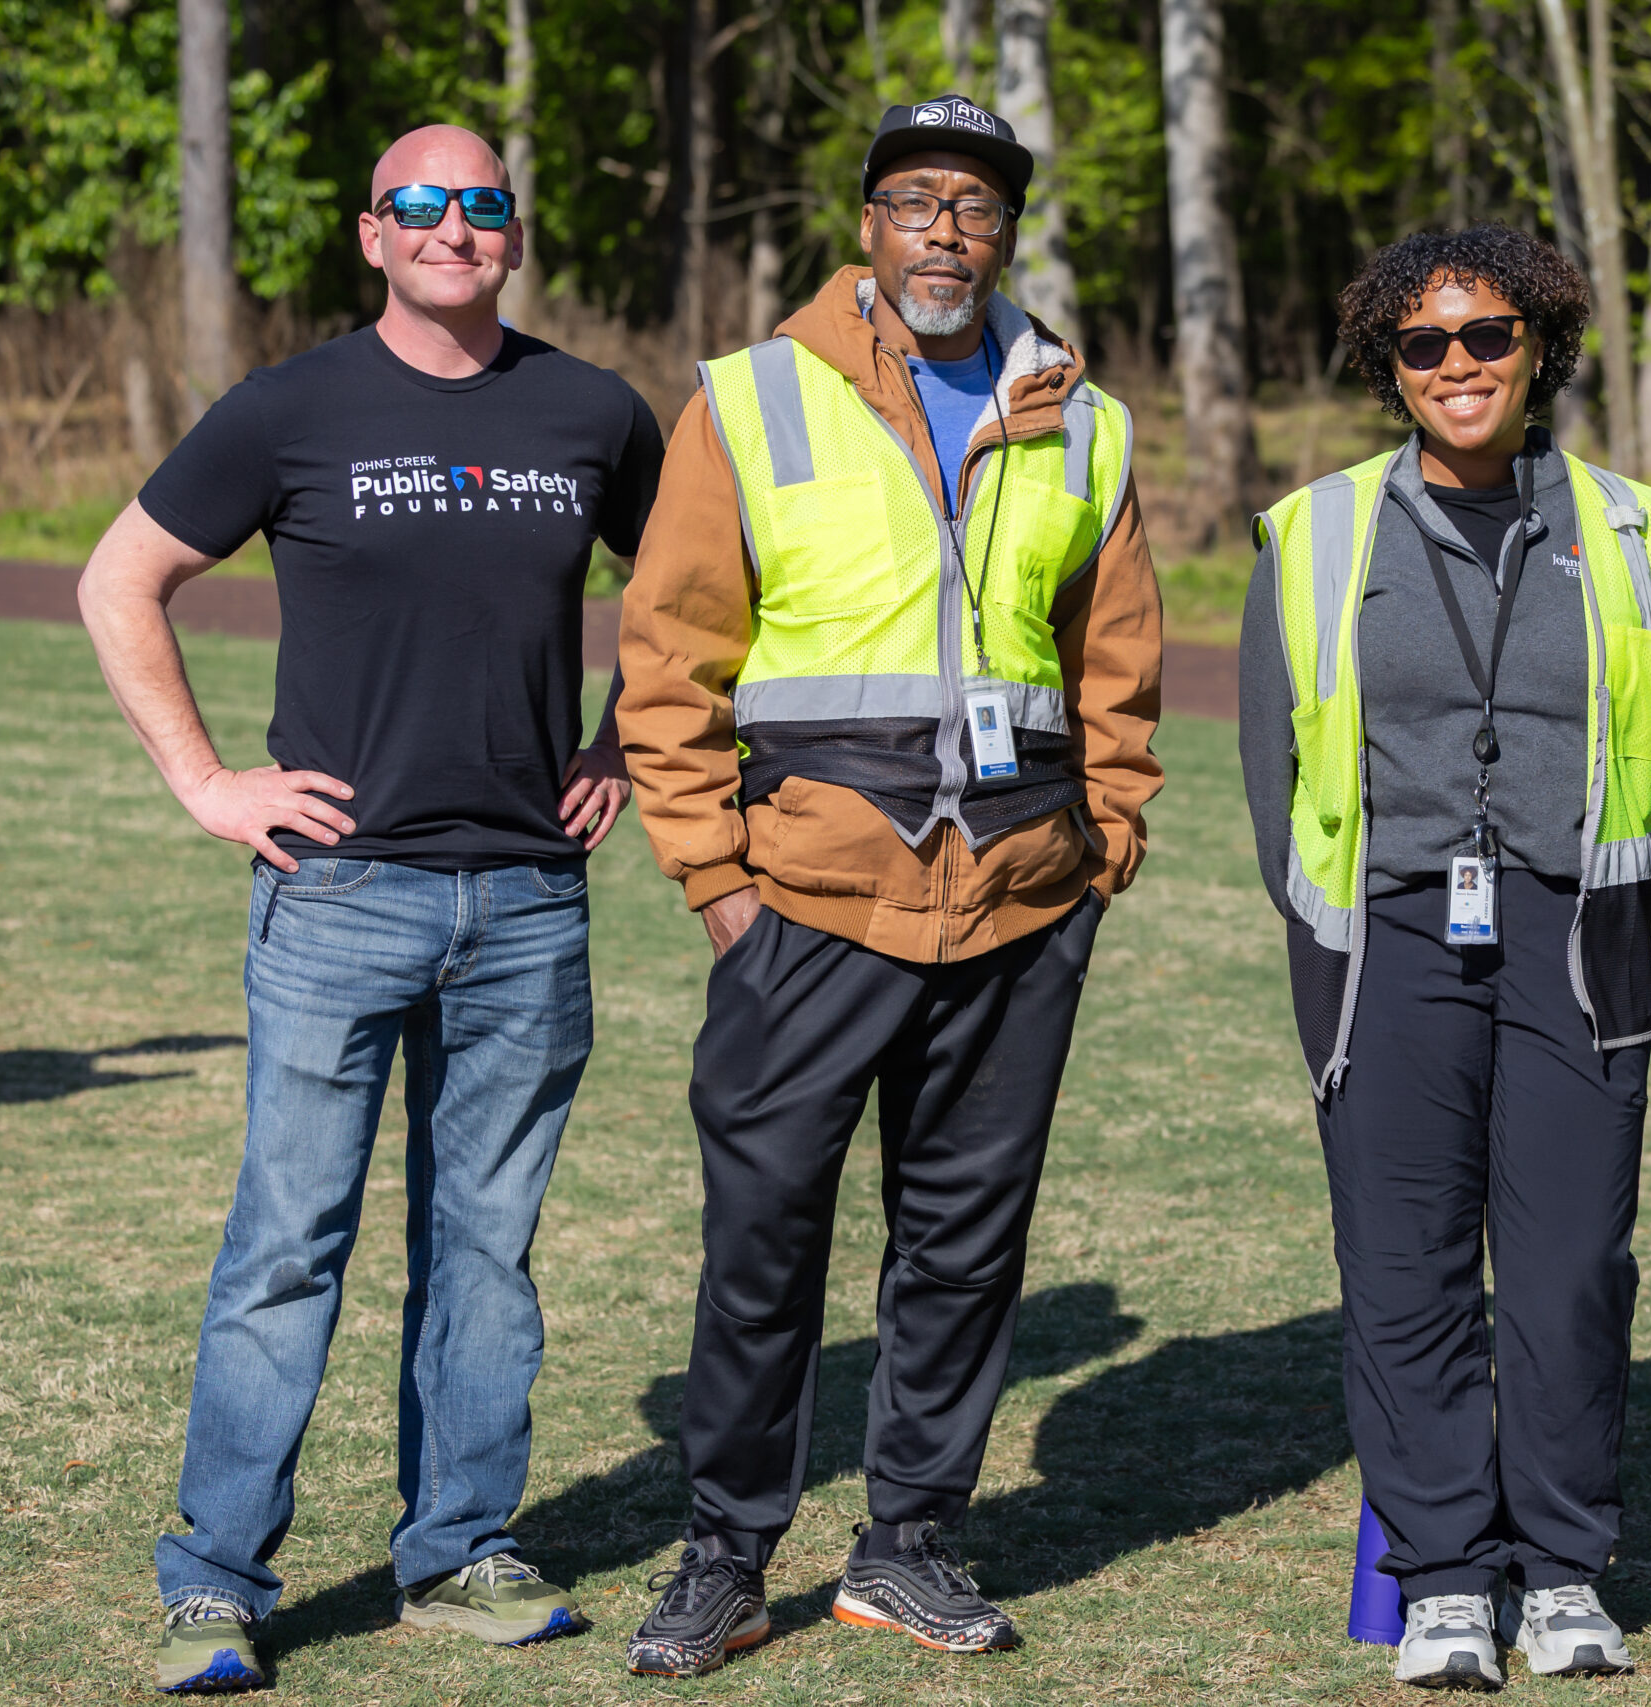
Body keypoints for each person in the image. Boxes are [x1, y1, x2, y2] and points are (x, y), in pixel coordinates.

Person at [76, 123, 665, 1694]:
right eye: (422, 204)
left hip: (529, 902)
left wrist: (625, 740)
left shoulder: (594, 411)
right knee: (287, 1245)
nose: (452, 227)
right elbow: (117, 579)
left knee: (487, 1253)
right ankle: (215, 1585)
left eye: (481, 204)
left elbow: (695, 596)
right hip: (337, 893)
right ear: (373, 233)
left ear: (513, 233)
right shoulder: (292, 408)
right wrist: (211, 783)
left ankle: (459, 1553)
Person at [611, 93, 1160, 1677]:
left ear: (1005, 236)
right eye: (917, 200)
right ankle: (726, 1558)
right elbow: (671, 655)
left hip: (1019, 903)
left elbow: (1117, 661)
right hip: (804, 903)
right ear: (867, 223)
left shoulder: (1086, 421)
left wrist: (1105, 845)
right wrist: (718, 882)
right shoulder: (752, 399)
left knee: (966, 1245)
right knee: (762, 1242)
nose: (946, 233)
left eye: (977, 208)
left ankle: (907, 1548)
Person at [1240, 226, 1651, 1691]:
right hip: (1389, 939)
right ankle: (1441, 1579)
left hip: (1575, 938)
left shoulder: (1633, 528)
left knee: (1569, 1271)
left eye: (1488, 335)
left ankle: (1562, 1572)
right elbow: (1271, 767)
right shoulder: (1315, 532)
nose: (1458, 365)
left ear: (1540, 346)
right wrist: (1330, 932)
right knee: (1404, 1267)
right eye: (1423, 345)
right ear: (1390, 367)